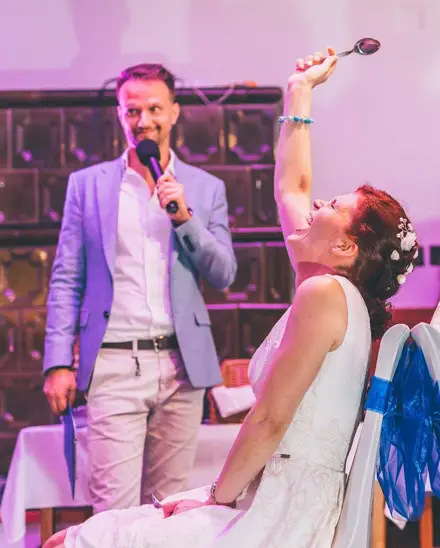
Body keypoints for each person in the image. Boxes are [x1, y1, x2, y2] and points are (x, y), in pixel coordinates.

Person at [43, 47, 418, 548]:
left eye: (332, 204)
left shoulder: (324, 293)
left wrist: (215, 497)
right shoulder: (333, 287)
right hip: (272, 497)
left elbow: (270, 419)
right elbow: (292, 188)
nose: (317, 201)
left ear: (346, 246)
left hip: (277, 512)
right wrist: (299, 91)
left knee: (68, 542)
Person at [42, 63, 237, 513]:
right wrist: (57, 362)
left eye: (153, 109)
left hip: (181, 367)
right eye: (132, 110)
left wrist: (184, 217)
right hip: (113, 363)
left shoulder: (205, 188)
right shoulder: (87, 186)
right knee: (114, 513)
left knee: (168, 511)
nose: (143, 120)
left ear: (174, 112)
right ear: (120, 114)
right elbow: (66, 277)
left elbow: (224, 273)